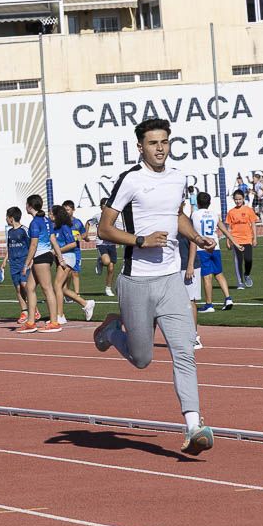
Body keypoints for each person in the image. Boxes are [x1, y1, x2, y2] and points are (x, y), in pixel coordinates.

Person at [93, 118, 215, 456]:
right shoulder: (130, 180)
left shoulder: (178, 178)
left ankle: (193, 426)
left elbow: (176, 216)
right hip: (136, 281)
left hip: (171, 280)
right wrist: (140, 240)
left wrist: (195, 236)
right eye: (153, 143)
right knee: (143, 359)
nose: (160, 148)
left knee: (184, 351)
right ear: (140, 147)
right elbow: (104, 228)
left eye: (164, 142)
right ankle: (111, 330)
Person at [18, 194, 60, 333]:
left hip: (41, 257)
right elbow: (53, 239)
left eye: (26, 204)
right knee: (29, 287)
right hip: (43, 256)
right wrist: (60, 257)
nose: (25, 207)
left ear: (30, 206)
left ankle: (54, 322)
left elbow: (33, 244)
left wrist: (26, 263)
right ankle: (31, 322)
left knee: (47, 288)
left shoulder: (35, 222)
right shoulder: (46, 220)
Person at [50, 203, 94, 324]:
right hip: (61, 258)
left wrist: (56, 251)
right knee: (63, 288)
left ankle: (60, 315)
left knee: (57, 285)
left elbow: (73, 244)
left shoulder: (64, 227)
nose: (49, 215)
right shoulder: (55, 227)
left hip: (68, 257)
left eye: (51, 213)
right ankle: (86, 303)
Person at [190, 192, 234, 313]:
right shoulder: (214, 214)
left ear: (197, 203)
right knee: (219, 273)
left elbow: (189, 230)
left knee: (207, 277)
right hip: (216, 247)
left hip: (202, 248)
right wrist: (235, 242)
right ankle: (228, 298)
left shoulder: (194, 214)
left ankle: (209, 304)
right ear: (209, 203)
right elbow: (224, 229)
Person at [5, 206, 32, 323]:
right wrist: (5, 260)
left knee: (24, 285)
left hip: (24, 261)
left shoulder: (24, 230)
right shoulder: (10, 232)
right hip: (14, 263)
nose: (6, 219)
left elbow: (32, 245)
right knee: (18, 288)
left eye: (6, 217)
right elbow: (9, 247)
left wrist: (31, 260)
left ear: (11, 218)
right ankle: (24, 311)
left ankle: (33, 309)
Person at [225, 190, 257, 289]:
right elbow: (229, 228)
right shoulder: (231, 212)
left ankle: (246, 274)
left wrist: (254, 238)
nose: (238, 201)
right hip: (236, 240)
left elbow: (253, 224)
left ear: (243, 199)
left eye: (239, 199)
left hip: (247, 239)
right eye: (236, 199)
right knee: (238, 260)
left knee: (248, 259)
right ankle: (240, 283)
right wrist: (228, 240)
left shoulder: (248, 210)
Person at [93, 196, 118, 297]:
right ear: (101, 207)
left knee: (111, 268)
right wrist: (86, 233)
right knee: (107, 262)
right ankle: (100, 260)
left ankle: (108, 288)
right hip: (101, 243)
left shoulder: (114, 216)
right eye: (105, 205)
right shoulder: (97, 216)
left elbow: (117, 228)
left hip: (111, 243)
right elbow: (89, 223)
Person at [63, 200, 86, 297]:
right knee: (67, 273)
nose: (66, 212)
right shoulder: (62, 223)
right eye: (64, 210)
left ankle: (77, 294)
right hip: (65, 251)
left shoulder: (78, 222)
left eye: (68, 210)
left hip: (76, 250)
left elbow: (83, 233)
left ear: (73, 210)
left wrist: (83, 237)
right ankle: (66, 291)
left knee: (75, 272)